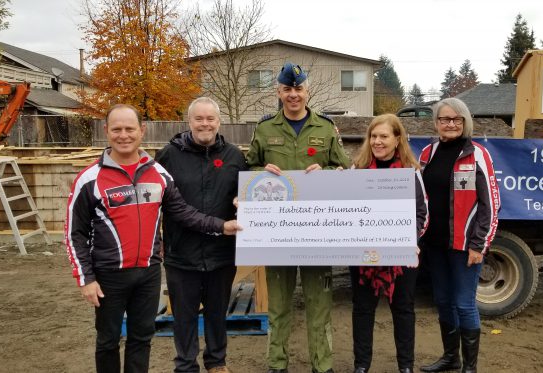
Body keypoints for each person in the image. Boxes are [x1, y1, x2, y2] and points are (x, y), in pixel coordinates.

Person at [65, 104, 242, 373]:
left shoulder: (157, 173)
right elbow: (74, 232)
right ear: (106, 132)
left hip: (148, 273)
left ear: (142, 131)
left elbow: (183, 212)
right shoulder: (89, 178)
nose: (124, 135)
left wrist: (222, 226)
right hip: (109, 273)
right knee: (108, 340)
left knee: (141, 338)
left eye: (130, 129)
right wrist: (86, 278)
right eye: (117, 129)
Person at [246, 62, 351, 373]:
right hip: (278, 233)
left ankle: (323, 365)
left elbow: (344, 170)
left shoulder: (325, 127)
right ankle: (277, 365)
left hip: (317, 231)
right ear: (278, 92)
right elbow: (248, 168)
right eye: (287, 89)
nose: (294, 95)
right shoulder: (264, 129)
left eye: (299, 89)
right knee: (278, 305)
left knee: (320, 305)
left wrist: (327, 171)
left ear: (307, 91)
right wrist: (259, 173)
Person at [155, 97, 247, 373]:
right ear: (189, 121)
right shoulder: (168, 156)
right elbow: (156, 202)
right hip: (181, 252)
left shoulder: (234, 156)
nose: (205, 124)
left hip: (222, 252)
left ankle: (216, 362)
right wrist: (157, 240)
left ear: (219, 122)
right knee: (184, 315)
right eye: (199, 119)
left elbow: (244, 194)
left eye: (210, 119)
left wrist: (241, 202)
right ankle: (185, 365)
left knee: (217, 312)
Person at [418, 98, 500, 373]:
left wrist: (480, 245)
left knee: (464, 304)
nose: (450, 124)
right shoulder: (428, 154)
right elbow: (420, 198)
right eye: (444, 119)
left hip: (465, 246)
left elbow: (491, 204)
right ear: (437, 123)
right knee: (442, 301)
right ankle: (451, 358)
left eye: (456, 119)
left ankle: (470, 367)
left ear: (465, 122)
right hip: (435, 245)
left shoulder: (477, 154)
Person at [350, 114, 428, 373]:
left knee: (403, 309)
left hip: (400, 254)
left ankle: (406, 366)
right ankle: (361, 365)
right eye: (373, 136)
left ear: (397, 139)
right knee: (362, 310)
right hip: (365, 255)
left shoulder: (410, 172)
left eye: (384, 136)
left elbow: (422, 213)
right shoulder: (356, 170)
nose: (377, 141)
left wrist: (410, 239)